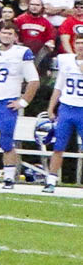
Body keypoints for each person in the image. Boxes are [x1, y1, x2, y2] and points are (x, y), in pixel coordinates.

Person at [43, 49, 83, 194]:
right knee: (59, 146)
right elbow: (58, 87)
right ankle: (51, 181)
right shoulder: (67, 62)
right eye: (79, 43)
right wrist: (51, 108)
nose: (81, 47)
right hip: (66, 107)